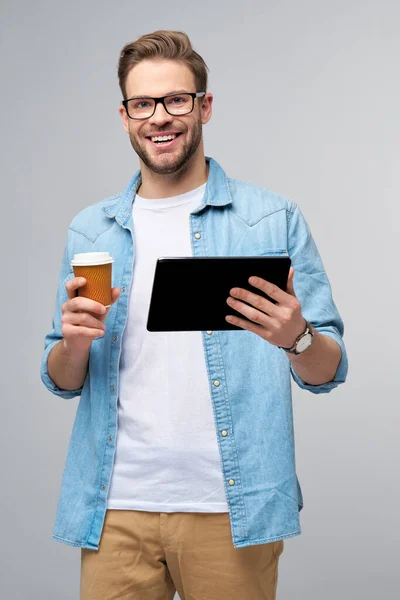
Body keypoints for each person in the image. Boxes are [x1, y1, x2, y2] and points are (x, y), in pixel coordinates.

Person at [41, 29, 348, 600]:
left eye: (176, 100)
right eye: (143, 104)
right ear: (125, 114)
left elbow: (327, 370)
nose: (160, 117)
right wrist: (74, 345)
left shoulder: (272, 219)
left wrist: (296, 337)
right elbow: (61, 380)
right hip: (115, 510)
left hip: (230, 510)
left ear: (204, 106)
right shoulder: (90, 230)